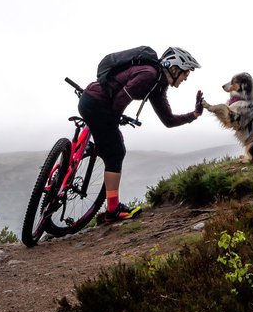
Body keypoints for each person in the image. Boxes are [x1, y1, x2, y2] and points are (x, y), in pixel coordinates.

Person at [78, 45, 203, 223]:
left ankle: (70, 161)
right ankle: (113, 210)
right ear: (174, 68)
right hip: (98, 103)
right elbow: (121, 98)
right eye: (185, 74)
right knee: (116, 152)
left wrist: (194, 115)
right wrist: (115, 120)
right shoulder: (149, 75)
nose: (186, 78)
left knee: (109, 143)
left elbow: (168, 120)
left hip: (91, 99)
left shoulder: (157, 86)